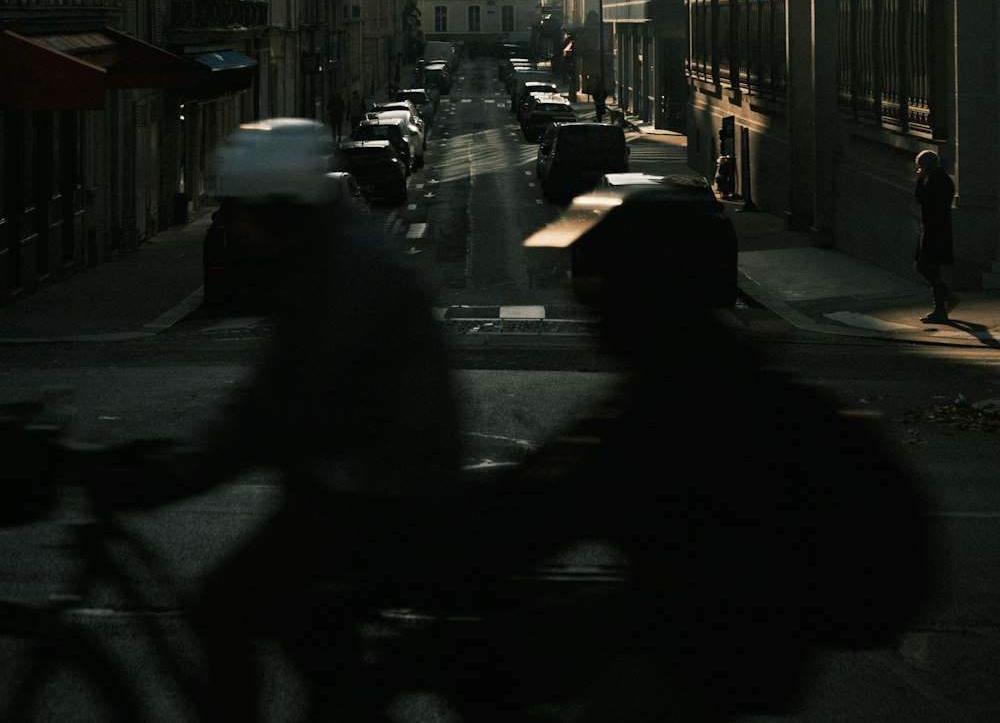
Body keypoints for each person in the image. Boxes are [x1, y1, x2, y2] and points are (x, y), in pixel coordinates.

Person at [434, 186, 935, 721]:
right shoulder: (723, 376)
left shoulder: (678, 403)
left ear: (640, 293)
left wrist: (420, 559)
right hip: (740, 648)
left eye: (603, 288)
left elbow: (545, 504)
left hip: (707, 661)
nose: (593, 310)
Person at [95, 119, 462, 720]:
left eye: (242, 210)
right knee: (312, 634)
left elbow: (271, 412)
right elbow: (269, 403)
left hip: (376, 490)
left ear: (280, 207)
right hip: (369, 478)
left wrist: (163, 479)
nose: (232, 226)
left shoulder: (340, 276)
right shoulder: (326, 256)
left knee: (226, 600)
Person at [914, 148, 958, 323]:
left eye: (920, 167)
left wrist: (918, 180)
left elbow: (921, 198)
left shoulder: (936, 181)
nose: (919, 170)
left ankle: (941, 308)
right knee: (926, 266)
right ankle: (945, 297)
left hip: (934, 231)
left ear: (926, 166)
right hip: (936, 230)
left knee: (929, 267)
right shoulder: (942, 179)